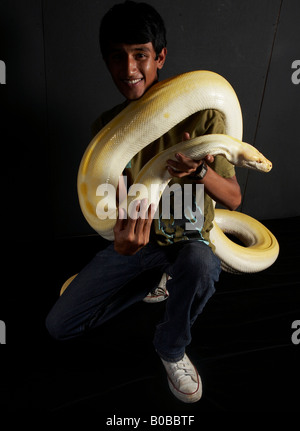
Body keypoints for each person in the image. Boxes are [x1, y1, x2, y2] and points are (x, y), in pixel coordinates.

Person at [46, 0, 241, 404]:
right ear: (107, 62)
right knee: (58, 326)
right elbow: (117, 204)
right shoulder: (108, 128)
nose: (129, 68)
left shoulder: (203, 116)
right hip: (141, 241)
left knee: (201, 264)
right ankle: (155, 281)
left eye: (140, 55)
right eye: (117, 57)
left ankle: (171, 348)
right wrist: (120, 244)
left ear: (160, 57)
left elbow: (235, 199)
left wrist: (201, 173)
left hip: (190, 242)